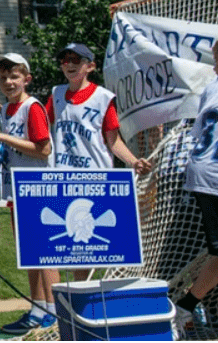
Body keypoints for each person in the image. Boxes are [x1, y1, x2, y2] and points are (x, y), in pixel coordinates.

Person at [46, 42, 152, 282]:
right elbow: (42, 131)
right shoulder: (56, 95)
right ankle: (80, 302)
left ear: (90, 66)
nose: (70, 64)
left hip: (97, 180)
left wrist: (133, 161)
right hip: (65, 179)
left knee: (101, 247)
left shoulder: (103, 98)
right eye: (66, 60)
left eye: (77, 60)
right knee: (75, 251)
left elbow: (113, 141)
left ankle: (102, 299)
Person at [0, 53, 58, 334]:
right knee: (30, 253)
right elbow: (14, 147)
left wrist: (1, 137)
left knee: (45, 252)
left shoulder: (31, 108)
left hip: (38, 188)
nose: (9, 82)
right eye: (3, 78)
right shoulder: (9, 111)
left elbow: (43, 148)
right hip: (18, 190)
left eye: (14, 76)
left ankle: (55, 310)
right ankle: (38, 307)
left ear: (26, 79)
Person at [172, 34, 218, 335]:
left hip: (204, 174)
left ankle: (186, 305)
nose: (214, 68)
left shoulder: (214, 89)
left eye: (216, 61)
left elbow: (200, 132)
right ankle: (186, 307)